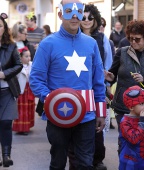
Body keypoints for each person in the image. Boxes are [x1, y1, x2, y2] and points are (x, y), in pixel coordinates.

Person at [29, 0, 106, 169]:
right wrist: (52, 100)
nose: (74, 16)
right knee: (58, 162)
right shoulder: (47, 44)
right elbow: (35, 79)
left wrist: (101, 112)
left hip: (86, 114)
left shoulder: (91, 43)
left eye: (78, 11)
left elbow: (98, 81)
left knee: (85, 163)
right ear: (60, 14)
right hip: (57, 115)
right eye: (69, 10)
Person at [104, 20, 144, 154]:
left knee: (142, 142)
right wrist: (110, 78)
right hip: (123, 106)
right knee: (125, 142)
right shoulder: (122, 52)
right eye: (131, 38)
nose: (133, 42)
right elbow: (113, 74)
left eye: (137, 39)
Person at [79, 4, 112, 170]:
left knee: (98, 126)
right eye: (83, 17)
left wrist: (106, 87)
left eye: (90, 17)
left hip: (97, 88)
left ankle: (97, 160)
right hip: (78, 89)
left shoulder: (102, 38)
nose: (86, 20)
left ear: (95, 19)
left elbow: (108, 63)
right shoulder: (73, 37)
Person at [0, 13, 23, 167]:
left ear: (4, 28)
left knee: (6, 122)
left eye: (0, 26)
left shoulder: (11, 46)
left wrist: (4, 74)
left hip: (7, 90)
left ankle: (6, 155)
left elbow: (19, 65)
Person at [12, 47, 35, 135]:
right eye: (26, 56)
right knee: (21, 109)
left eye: (29, 56)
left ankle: (27, 125)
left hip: (29, 89)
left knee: (29, 108)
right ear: (20, 57)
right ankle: (21, 127)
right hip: (21, 90)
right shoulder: (18, 67)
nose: (29, 58)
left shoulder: (32, 65)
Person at [98, 17, 116, 130]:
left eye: (103, 26)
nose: (101, 28)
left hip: (103, 82)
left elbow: (110, 63)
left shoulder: (107, 41)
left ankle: (106, 124)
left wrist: (108, 84)